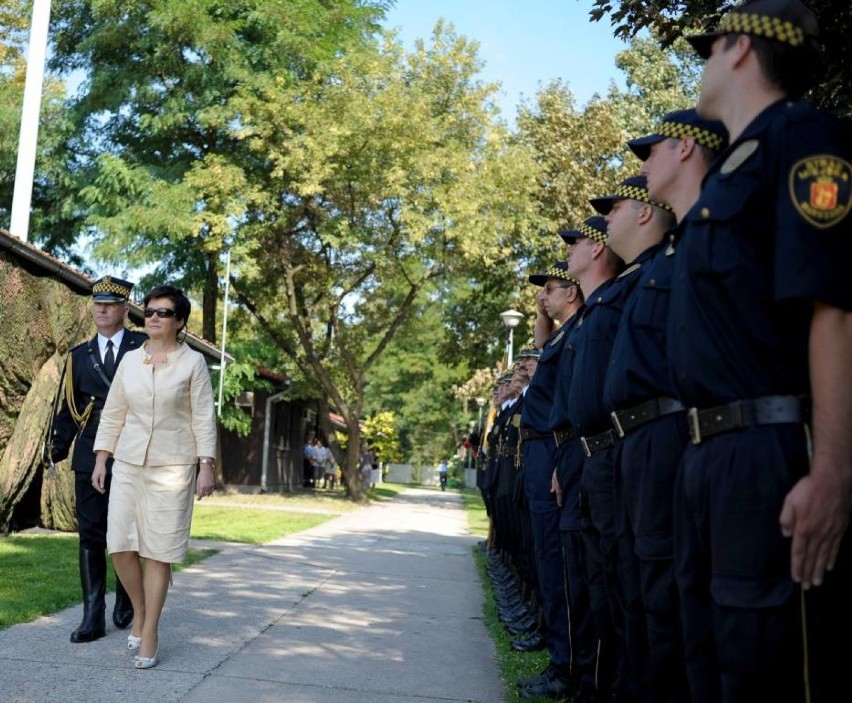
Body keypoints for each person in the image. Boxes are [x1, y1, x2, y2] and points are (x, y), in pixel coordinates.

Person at [670, 2, 851, 700]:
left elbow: (832, 311)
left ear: (740, 47)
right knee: (707, 663)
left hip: (767, 450)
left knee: (763, 667)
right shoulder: (727, 175)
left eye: (709, 48)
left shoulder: (804, 140)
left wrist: (833, 470)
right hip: (708, 454)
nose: (704, 61)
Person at [605, 109, 727, 703]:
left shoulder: (717, 229)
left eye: (651, 151)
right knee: (641, 590)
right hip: (643, 441)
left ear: (684, 150)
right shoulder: (677, 249)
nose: (644, 164)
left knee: (672, 600)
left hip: (677, 434)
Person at [91, 284, 217, 670]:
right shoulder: (130, 360)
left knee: (158, 550)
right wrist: (101, 458)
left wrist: (206, 464)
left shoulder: (192, 363)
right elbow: (113, 412)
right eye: (149, 311)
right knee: (120, 545)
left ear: (179, 321)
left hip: (174, 467)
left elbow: (202, 415)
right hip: (128, 462)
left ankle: (150, 631)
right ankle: (141, 611)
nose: (154, 317)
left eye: (163, 312)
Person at [49, 275, 146, 643]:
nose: (102, 310)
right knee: (91, 535)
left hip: (134, 451)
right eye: (97, 304)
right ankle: (93, 615)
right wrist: (57, 447)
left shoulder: (142, 347)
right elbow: (71, 408)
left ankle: (126, 599)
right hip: (91, 455)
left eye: (109, 304)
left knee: (129, 531)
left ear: (124, 309)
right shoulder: (79, 357)